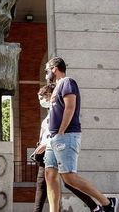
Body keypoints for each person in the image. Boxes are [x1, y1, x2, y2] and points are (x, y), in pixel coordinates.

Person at [44, 57, 118, 212]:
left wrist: (62, 130)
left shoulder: (67, 82)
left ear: (55, 68)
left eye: (47, 70)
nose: (46, 74)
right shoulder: (56, 87)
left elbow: (70, 107)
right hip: (53, 139)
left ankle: (107, 203)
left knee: (69, 177)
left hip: (66, 135)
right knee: (50, 174)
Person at [33, 83, 101, 212]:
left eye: (42, 97)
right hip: (46, 154)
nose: (41, 101)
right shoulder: (48, 116)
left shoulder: (58, 113)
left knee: (68, 181)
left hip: (57, 148)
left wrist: (46, 143)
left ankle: (96, 206)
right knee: (42, 184)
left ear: (50, 95)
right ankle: (95, 207)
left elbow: (59, 132)